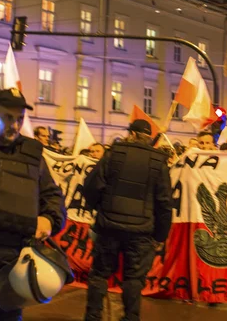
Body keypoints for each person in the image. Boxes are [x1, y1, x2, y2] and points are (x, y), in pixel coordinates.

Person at [0, 88, 66, 320]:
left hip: (13, 260)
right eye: (8, 117)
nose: (14, 125)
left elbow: (52, 195)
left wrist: (49, 219)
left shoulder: (31, 153)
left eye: (19, 118)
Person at [83, 119, 173, 321]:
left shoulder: (113, 154)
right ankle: (131, 318)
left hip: (109, 226)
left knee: (99, 274)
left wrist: (99, 209)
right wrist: (160, 235)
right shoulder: (158, 161)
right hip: (141, 232)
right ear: (149, 137)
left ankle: (92, 316)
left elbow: (91, 186)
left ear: (131, 134)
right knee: (134, 279)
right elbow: (165, 202)